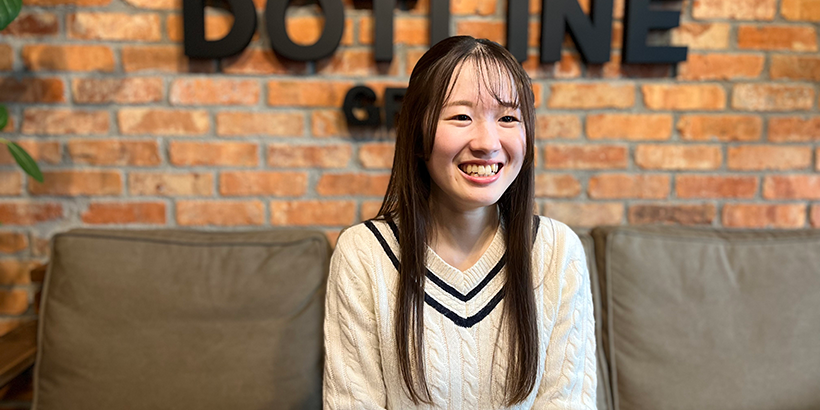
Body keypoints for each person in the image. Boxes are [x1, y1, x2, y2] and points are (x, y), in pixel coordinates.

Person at [323, 36, 597, 409]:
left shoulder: (556, 251)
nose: (487, 142)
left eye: (507, 118)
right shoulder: (364, 254)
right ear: (418, 133)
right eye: (461, 117)